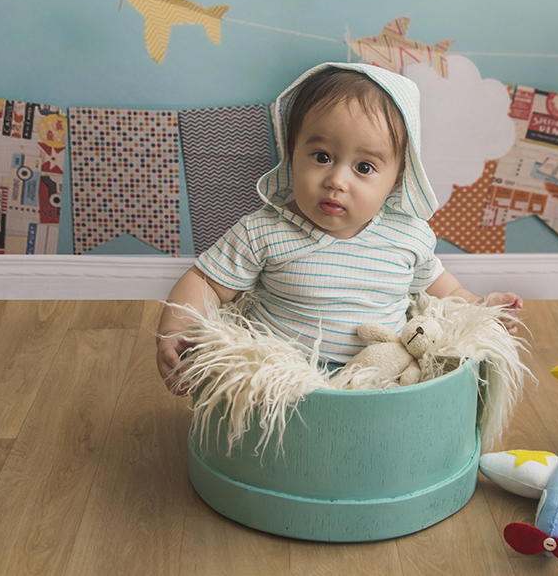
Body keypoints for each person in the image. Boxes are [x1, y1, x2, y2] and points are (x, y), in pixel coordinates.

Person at [156, 62, 522, 392]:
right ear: (292, 155)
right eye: (321, 157)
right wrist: (175, 331)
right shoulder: (264, 231)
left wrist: (481, 306)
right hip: (283, 384)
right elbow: (206, 282)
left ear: (396, 180)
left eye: (364, 167)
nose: (336, 180)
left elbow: (444, 290)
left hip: (381, 383)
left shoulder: (407, 236)